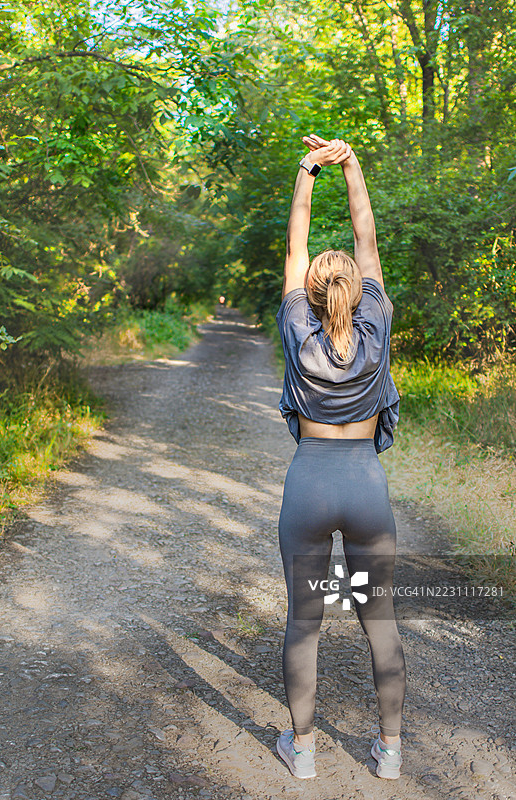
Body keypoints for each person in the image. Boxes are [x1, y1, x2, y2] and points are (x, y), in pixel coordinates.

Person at [274, 135, 406, 781]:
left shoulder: (296, 320)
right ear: (358, 291)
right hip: (365, 488)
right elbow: (367, 238)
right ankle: (388, 752)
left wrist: (307, 169)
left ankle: (301, 752)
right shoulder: (376, 320)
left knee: (305, 623)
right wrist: (351, 166)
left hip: (308, 485)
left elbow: (296, 242)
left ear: (310, 289)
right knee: (376, 620)